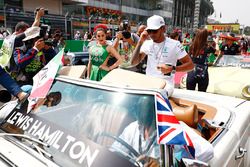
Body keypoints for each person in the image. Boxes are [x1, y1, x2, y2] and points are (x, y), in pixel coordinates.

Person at [111, 96, 214, 166]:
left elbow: (207, 151)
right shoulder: (133, 128)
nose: (145, 127)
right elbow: (115, 151)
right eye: (139, 110)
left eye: (149, 121)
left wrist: (171, 163)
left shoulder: (176, 130)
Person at [131, 15, 194, 96]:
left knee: (157, 95)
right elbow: (133, 62)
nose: (151, 34)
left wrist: (172, 69)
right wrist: (140, 42)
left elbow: (191, 65)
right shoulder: (147, 43)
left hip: (165, 85)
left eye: (154, 31)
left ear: (163, 29)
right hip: (148, 82)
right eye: (149, 31)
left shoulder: (175, 44)